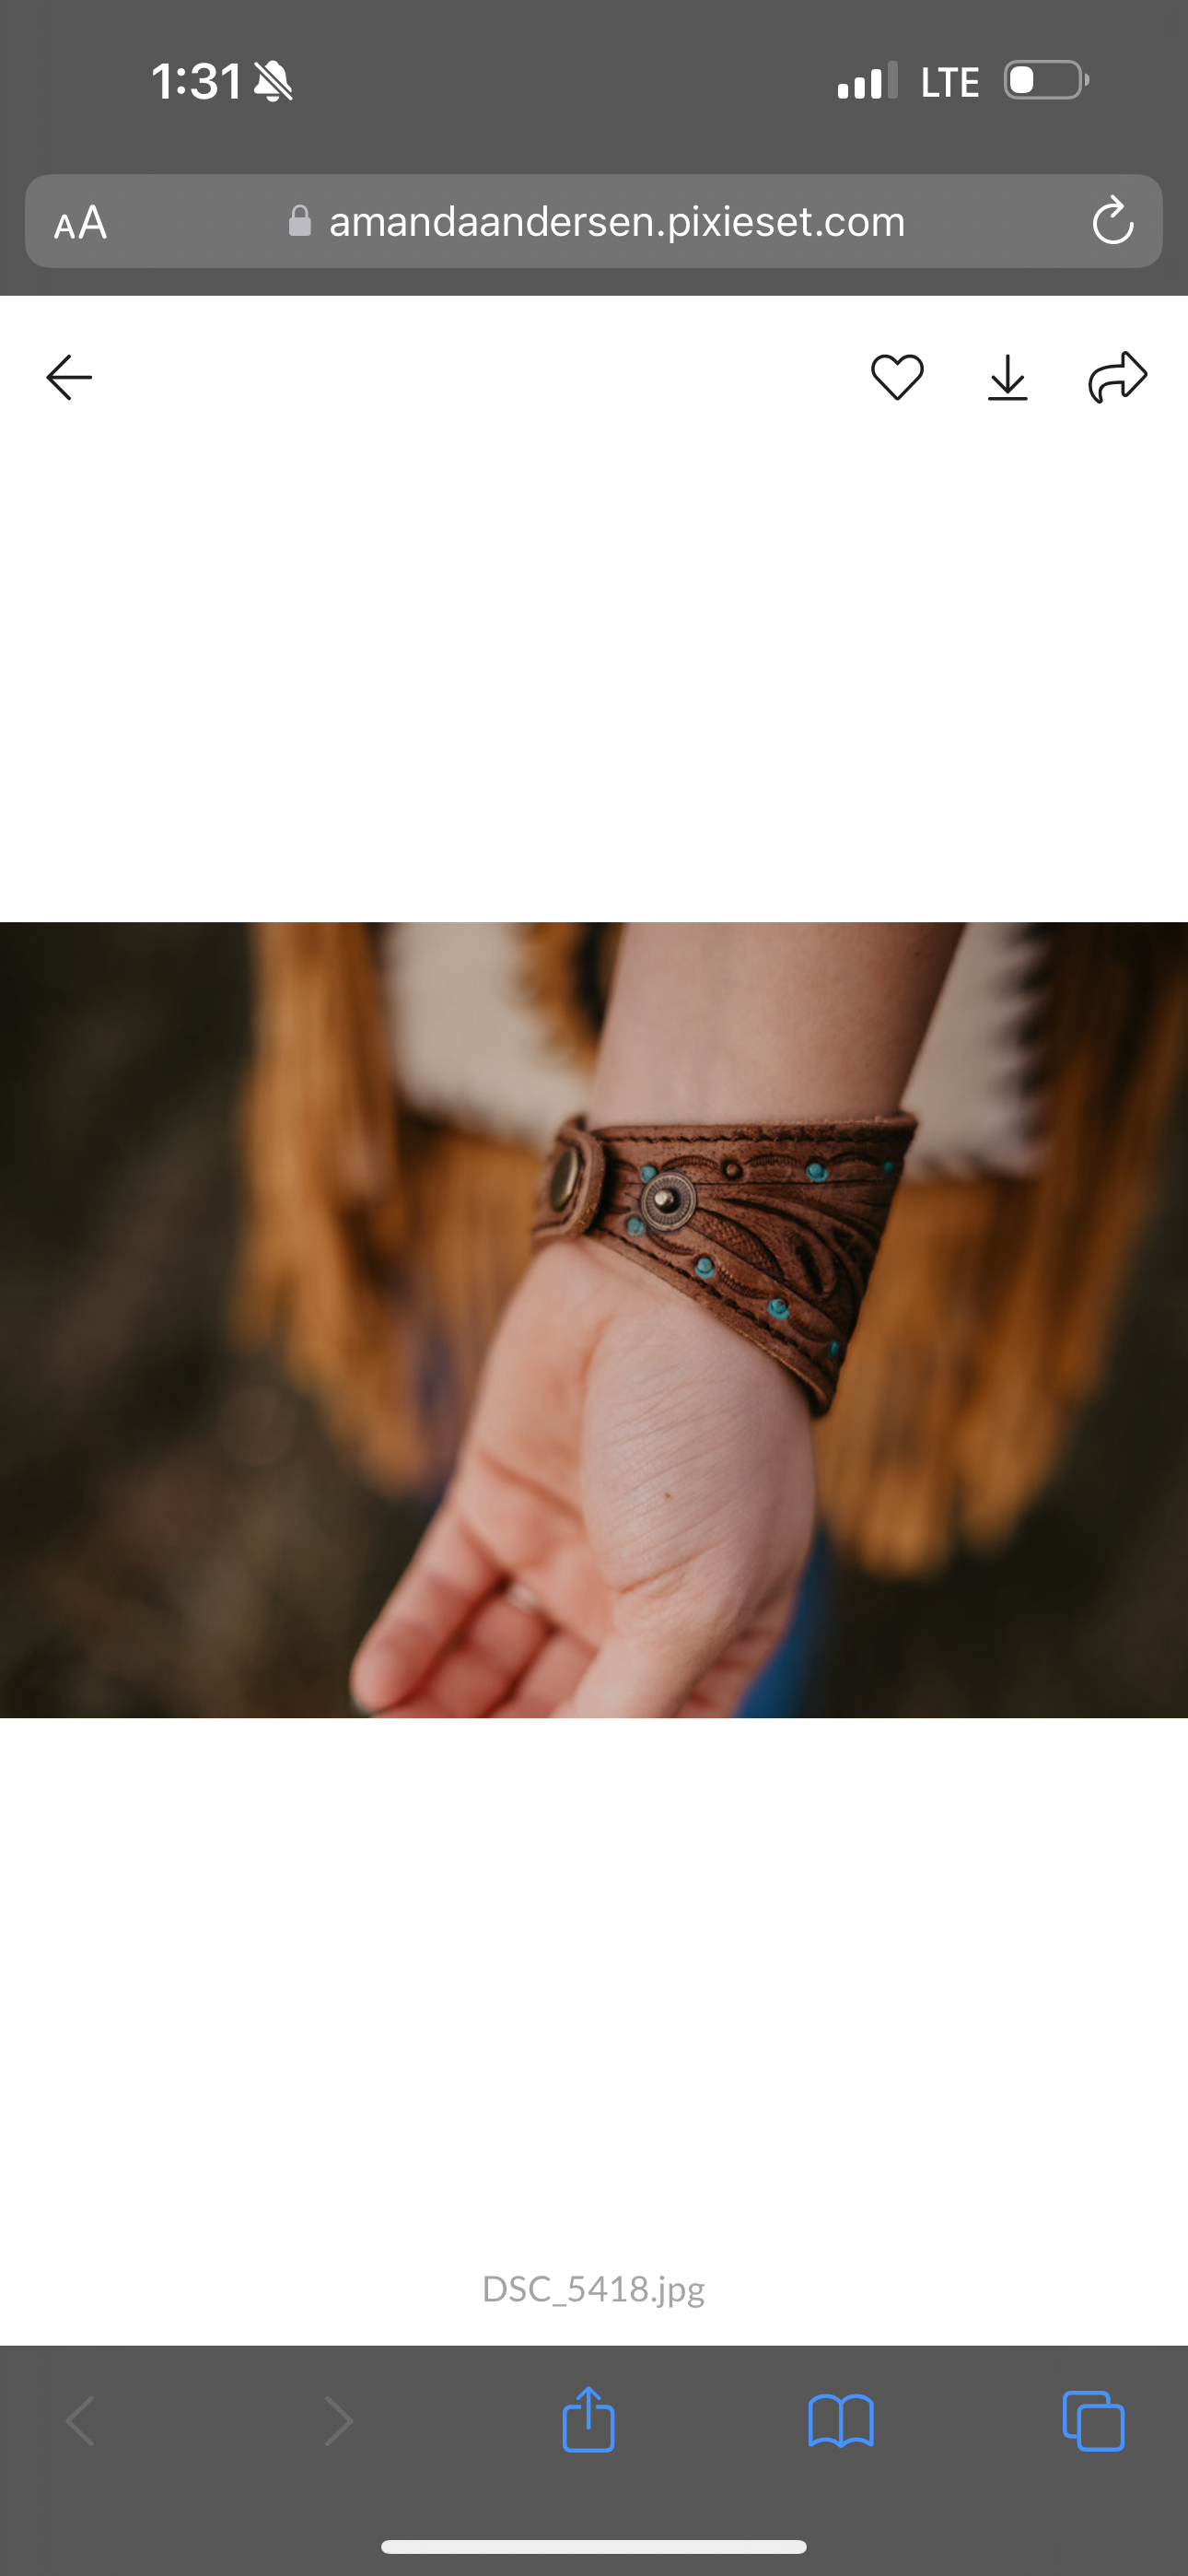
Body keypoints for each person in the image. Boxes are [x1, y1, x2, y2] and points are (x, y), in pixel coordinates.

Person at [238, 921, 1188, 1718]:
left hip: (866, 1043)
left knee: (708, 1526)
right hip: (448, 1051)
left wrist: (685, 1293)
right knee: (508, 1426)